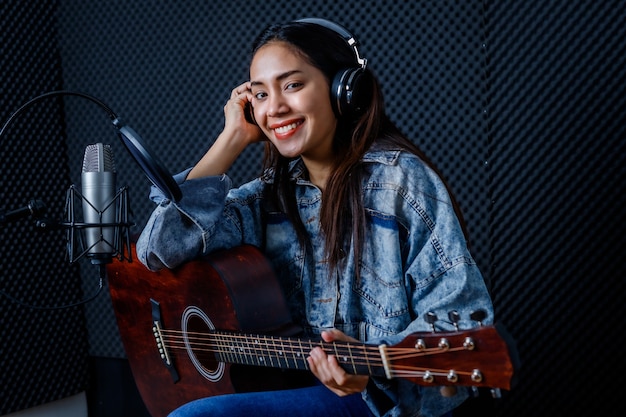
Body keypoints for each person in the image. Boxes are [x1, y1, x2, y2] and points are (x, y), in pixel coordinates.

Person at [136, 18, 494, 417]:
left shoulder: (401, 183)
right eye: (259, 94)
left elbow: (458, 320)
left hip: (381, 403)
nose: (274, 108)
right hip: (292, 388)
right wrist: (231, 138)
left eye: (292, 85)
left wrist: (371, 369)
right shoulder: (270, 195)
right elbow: (158, 249)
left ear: (345, 91)